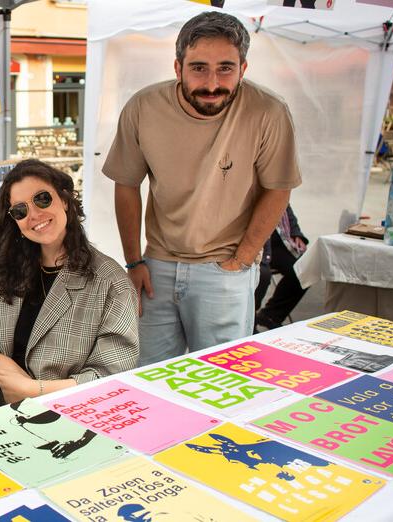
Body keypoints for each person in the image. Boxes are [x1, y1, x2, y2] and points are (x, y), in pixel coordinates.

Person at [103, 11, 301, 366]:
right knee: (149, 377)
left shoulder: (268, 111)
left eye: (225, 68)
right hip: (157, 267)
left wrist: (241, 260)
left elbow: (278, 189)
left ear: (243, 68)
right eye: (199, 68)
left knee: (224, 382)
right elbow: (127, 184)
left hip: (225, 270)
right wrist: (133, 261)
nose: (212, 83)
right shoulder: (143, 108)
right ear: (178, 68)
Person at [0, 160, 140, 426]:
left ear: (65, 201)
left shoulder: (110, 283)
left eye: (42, 199)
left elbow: (112, 375)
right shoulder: (5, 268)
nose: (33, 214)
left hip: (66, 408)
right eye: (20, 211)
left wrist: (32, 390)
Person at [254, 205, 308, 330]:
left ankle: (271, 315)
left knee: (304, 269)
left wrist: (296, 233)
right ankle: (249, 323)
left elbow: (284, 205)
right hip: (255, 239)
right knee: (261, 275)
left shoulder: (279, 187)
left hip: (277, 239)